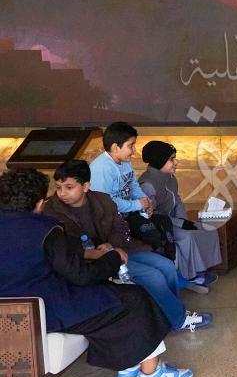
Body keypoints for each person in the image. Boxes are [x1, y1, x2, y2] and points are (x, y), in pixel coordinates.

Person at [0, 168, 194, 377]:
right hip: (44, 311)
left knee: (110, 296)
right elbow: (81, 275)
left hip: (13, 310)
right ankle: (151, 373)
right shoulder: (45, 229)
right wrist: (112, 259)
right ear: (38, 202)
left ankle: (129, 364)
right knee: (133, 297)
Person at [44, 160, 211, 333]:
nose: (62, 193)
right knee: (153, 276)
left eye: (69, 187)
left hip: (117, 250)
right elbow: (60, 249)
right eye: (58, 187)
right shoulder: (51, 211)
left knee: (166, 265)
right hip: (89, 262)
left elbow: (120, 227)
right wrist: (93, 253)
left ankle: (168, 316)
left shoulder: (102, 200)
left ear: (86, 186)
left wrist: (111, 245)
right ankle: (178, 319)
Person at [138, 141, 222, 283]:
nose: (176, 163)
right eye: (172, 159)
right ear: (160, 161)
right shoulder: (147, 184)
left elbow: (177, 201)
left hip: (173, 222)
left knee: (209, 229)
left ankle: (204, 268)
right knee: (187, 237)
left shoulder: (170, 178)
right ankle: (191, 276)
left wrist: (184, 220)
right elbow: (151, 215)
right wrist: (180, 224)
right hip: (158, 226)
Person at [89, 122, 174, 260]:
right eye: (130, 145)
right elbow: (107, 203)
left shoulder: (125, 161)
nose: (134, 150)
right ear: (115, 147)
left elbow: (133, 185)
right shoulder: (102, 169)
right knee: (150, 232)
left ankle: (169, 261)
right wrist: (137, 205)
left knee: (164, 221)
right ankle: (159, 261)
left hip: (128, 212)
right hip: (113, 219)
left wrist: (146, 202)